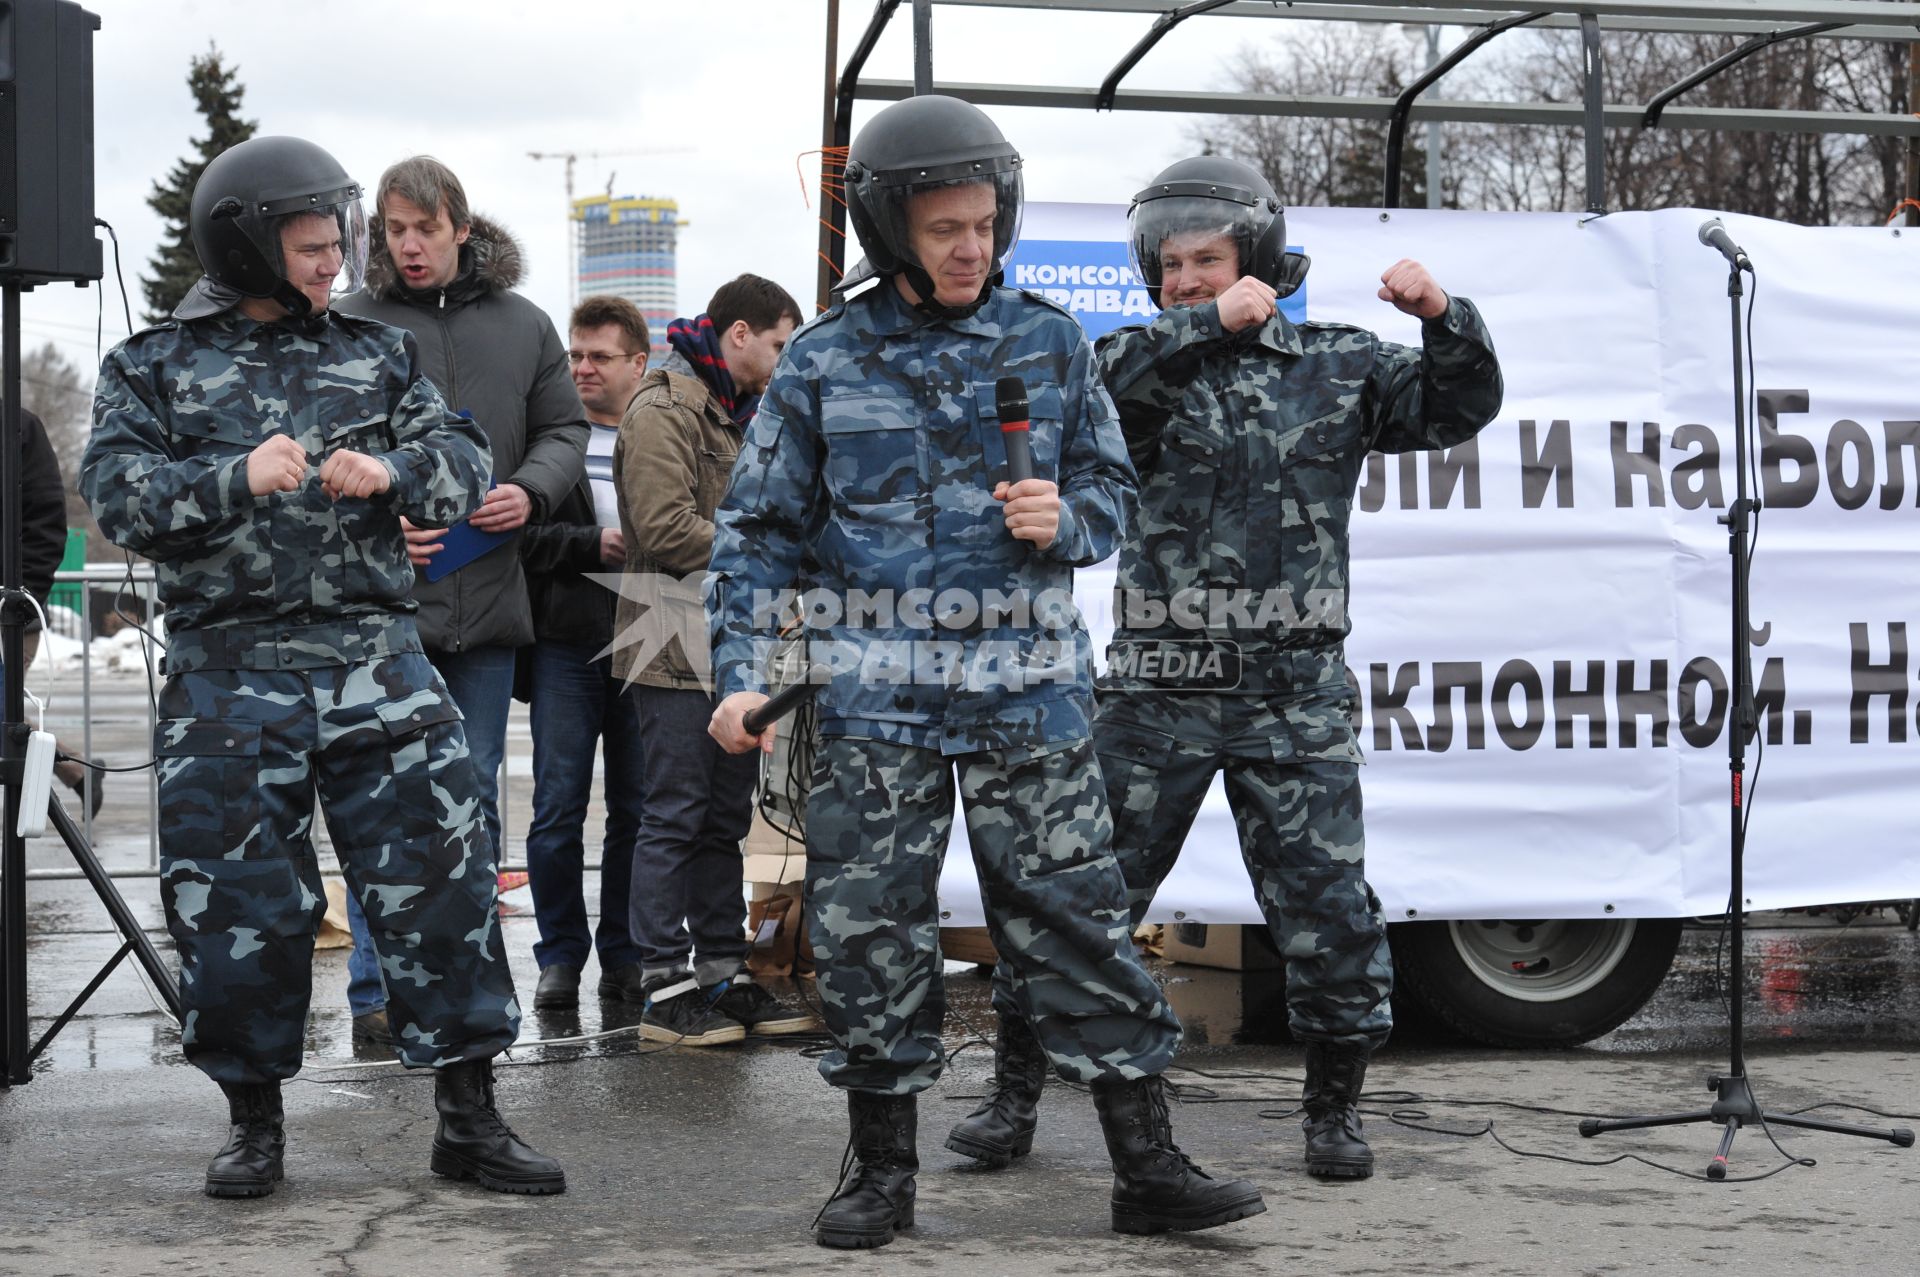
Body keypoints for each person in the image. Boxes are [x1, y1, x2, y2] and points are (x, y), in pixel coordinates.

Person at [706, 97, 1264, 1249]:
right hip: (876, 703)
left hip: (1029, 695)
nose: (971, 247)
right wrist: (734, 674)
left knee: (1076, 917)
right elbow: (754, 535)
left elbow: (1111, 494)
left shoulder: (1050, 341)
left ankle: (1147, 1162)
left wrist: (1065, 516)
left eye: (984, 223)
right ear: (887, 228)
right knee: (873, 929)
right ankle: (882, 1169)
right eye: (945, 227)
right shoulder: (822, 359)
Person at [959, 154, 1504, 1182]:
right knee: (1078, 897)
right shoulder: (1140, 364)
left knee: (1330, 912)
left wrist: (1442, 315)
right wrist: (1208, 326)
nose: (1185, 281)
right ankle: (1012, 1097)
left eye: (1206, 262)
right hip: (1156, 693)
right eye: (1170, 268)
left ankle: (1335, 1111)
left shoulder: (1339, 363)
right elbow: (1101, 386)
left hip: (1291, 696)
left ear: (1253, 255)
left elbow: (1455, 406)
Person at [79, 135, 563, 1198]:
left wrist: (393, 467)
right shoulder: (152, 366)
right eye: (308, 247)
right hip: (227, 673)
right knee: (239, 903)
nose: (331, 263)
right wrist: (228, 477)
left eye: (334, 241)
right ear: (246, 249)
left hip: (376, 659)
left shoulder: (377, 351)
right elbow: (115, 497)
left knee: (446, 877)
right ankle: (254, 1123)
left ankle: (469, 1116)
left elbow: (464, 461)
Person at [334, 156, 588, 1048]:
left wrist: (534, 490)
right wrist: (369, 529)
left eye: (425, 229)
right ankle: (373, 990)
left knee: (471, 798)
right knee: (378, 801)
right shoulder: (348, 324)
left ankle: (458, 987)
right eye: (393, 230)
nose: (408, 245)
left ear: (461, 230)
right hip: (379, 611)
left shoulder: (525, 325)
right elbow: (315, 449)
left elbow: (566, 427)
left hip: (486, 612)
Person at [613, 274, 814, 1044]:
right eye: (778, 344)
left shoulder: (744, 414)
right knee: (674, 815)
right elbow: (665, 529)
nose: (785, 360)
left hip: (734, 649)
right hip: (668, 646)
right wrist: (767, 559)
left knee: (723, 819)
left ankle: (721, 972)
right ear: (739, 335)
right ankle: (664, 987)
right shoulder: (665, 408)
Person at [515, 295, 652, 1011]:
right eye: (576, 354)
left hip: (648, 642)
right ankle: (560, 956)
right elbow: (515, 537)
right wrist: (587, 544)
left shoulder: (660, 436)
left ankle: (624, 954)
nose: (583, 367)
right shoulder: (551, 441)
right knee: (557, 809)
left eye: (600, 355)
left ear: (639, 361)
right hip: (566, 643)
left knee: (637, 810)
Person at [3, 408, 100, 816]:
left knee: (5, 724)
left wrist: (21, 599)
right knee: (5, 725)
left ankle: (66, 770)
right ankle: (73, 768)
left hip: (6, 616)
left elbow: (45, 522)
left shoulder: (17, 425)